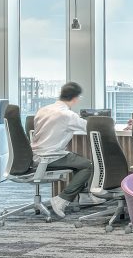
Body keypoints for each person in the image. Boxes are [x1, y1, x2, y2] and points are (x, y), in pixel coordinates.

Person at [32, 82, 106, 218]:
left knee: (79, 161)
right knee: (88, 166)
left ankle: (85, 196)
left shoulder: (43, 109)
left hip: (36, 154)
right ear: (75, 98)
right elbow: (91, 127)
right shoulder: (67, 115)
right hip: (51, 157)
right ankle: (62, 199)